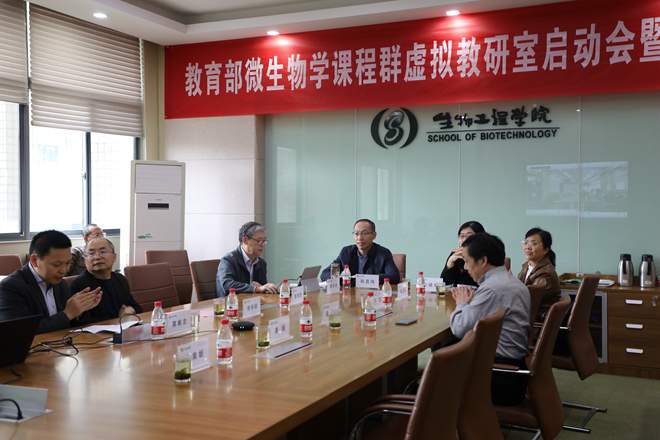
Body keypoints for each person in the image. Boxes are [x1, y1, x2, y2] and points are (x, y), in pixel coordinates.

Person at [449, 232, 530, 406]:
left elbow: (459, 328)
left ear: (483, 261)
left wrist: (462, 303)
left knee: (426, 386)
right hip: (511, 371)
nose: (466, 268)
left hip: (497, 378)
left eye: (467, 262)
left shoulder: (492, 289)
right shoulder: (510, 281)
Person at [0, 230, 102, 335]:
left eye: (68, 263)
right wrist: (68, 314)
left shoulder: (60, 284)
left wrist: (78, 311)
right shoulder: (10, 287)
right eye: (56, 265)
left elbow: (67, 325)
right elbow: (18, 332)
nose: (64, 270)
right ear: (34, 260)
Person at [70, 237, 143, 324]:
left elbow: (137, 308)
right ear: (85, 261)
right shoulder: (79, 284)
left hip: (123, 328)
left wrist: (130, 311)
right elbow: (82, 322)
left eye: (102, 252)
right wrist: (119, 319)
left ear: (114, 257)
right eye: (91, 253)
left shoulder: (120, 279)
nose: (97, 257)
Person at [320, 219, 400, 285]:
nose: (359, 238)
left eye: (364, 233)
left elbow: (394, 276)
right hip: (350, 296)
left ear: (374, 235)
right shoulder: (346, 252)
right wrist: (339, 278)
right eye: (356, 233)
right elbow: (325, 273)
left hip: (373, 295)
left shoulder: (383, 253)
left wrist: (361, 278)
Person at [216, 222, 278, 297]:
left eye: (264, 241)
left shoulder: (261, 263)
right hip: (230, 303)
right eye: (259, 241)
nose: (263, 244)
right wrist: (255, 288)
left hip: (251, 302)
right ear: (245, 240)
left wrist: (264, 288)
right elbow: (227, 284)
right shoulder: (228, 260)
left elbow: (262, 289)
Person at [517, 227, 561, 318]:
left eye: (533, 243)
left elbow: (527, 301)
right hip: (525, 315)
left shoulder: (545, 273)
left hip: (535, 318)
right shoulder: (527, 266)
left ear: (546, 249)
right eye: (526, 243)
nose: (527, 247)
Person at [441, 221, 485, 287]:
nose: (464, 240)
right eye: (461, 236)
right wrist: (449, 264)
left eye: (469, 236)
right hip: (458, 292)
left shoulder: (485, 255)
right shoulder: (457, 254)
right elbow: (444, 282)